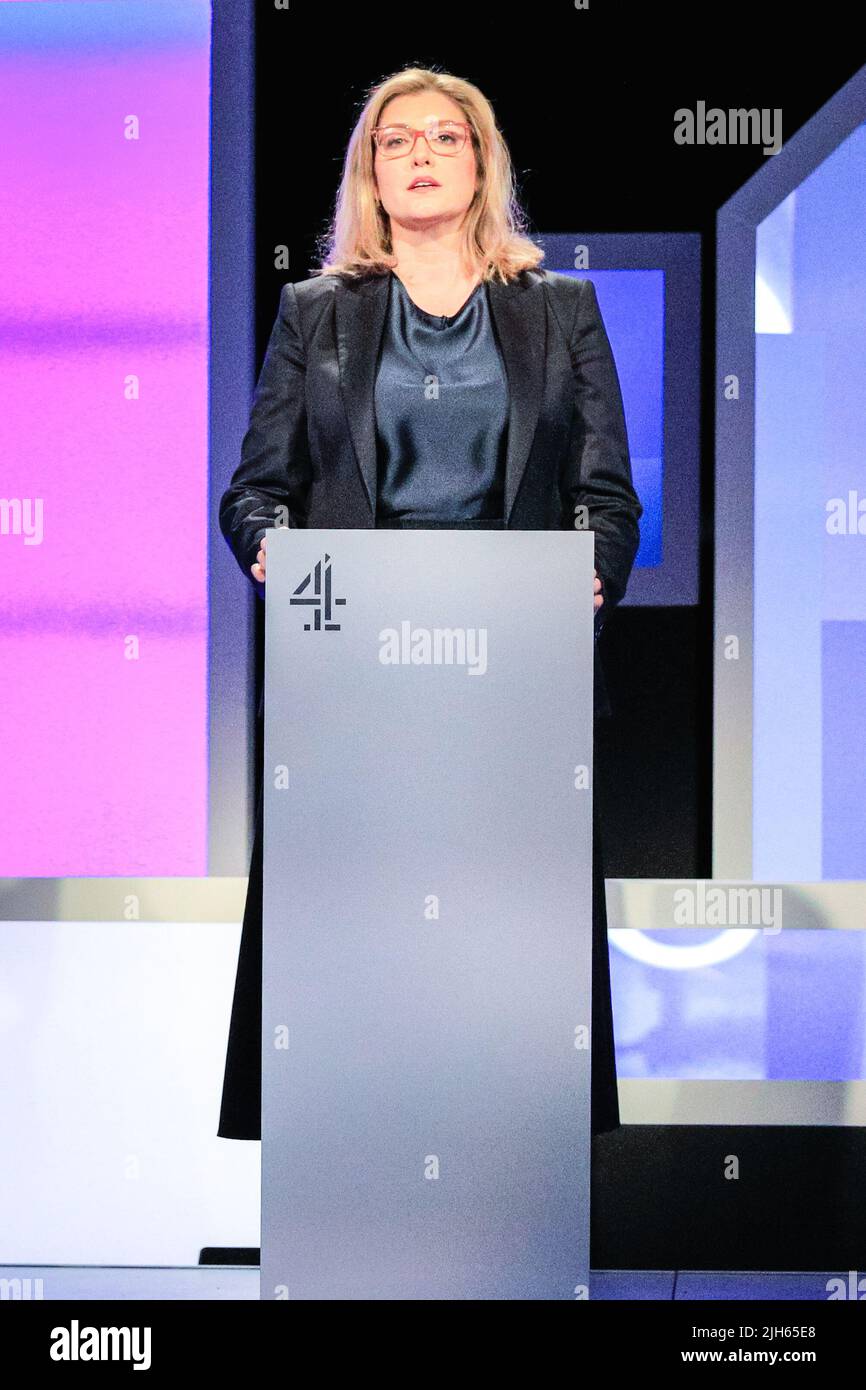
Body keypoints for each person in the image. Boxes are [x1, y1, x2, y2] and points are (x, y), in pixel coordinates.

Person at [217, 66, 643, 1143]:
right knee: (356, 955)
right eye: (394, 140)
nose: (418, 155)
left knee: (505, 961)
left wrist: (584, 575)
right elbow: (255, 490)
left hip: (511, 685)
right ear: (369, 171)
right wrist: (272, 552)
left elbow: (604, 496)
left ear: (480, 162)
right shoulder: (316, 314)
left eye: (443, 138)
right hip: (353, 685)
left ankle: (508, 1188)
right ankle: (348, 1182)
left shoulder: (558, 307)